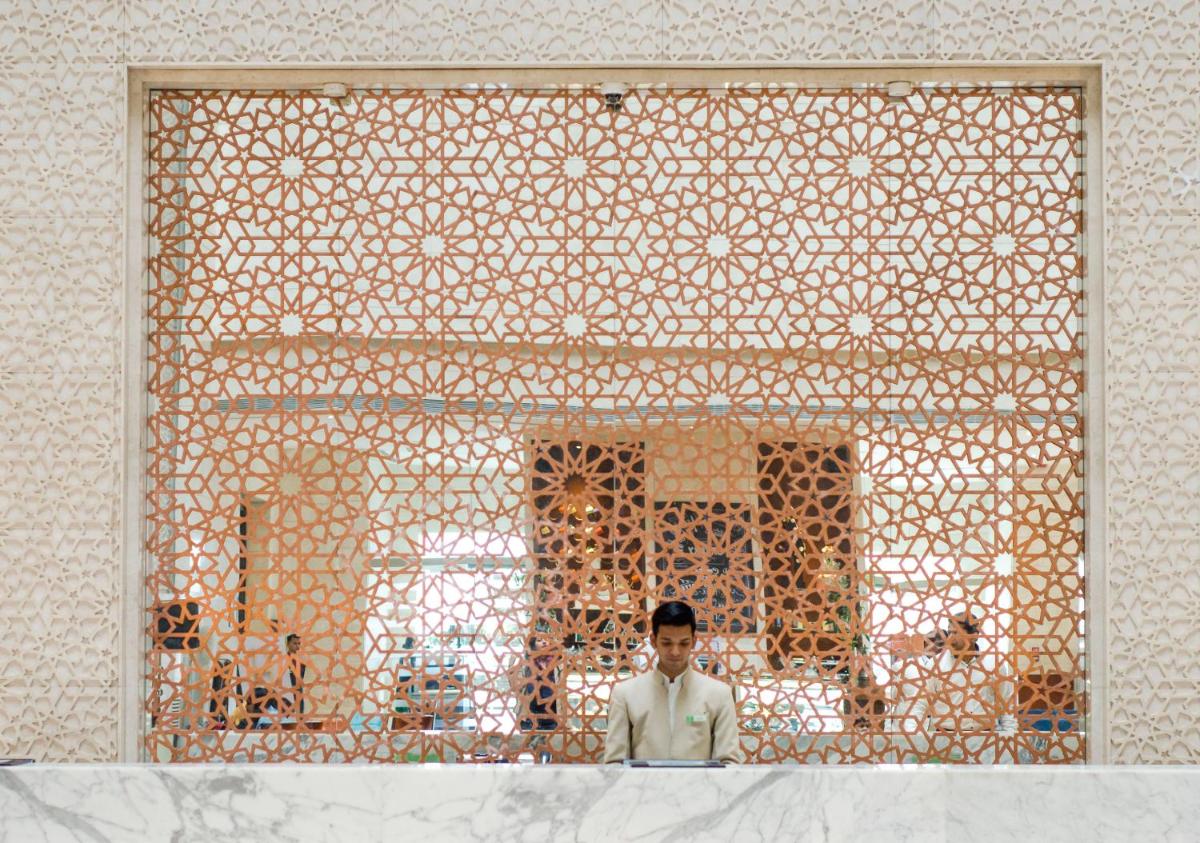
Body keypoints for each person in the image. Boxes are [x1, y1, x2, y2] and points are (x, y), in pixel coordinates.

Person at [603, 601, 742, 764]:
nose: (675, 651)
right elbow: (614, 765)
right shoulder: (625, 694)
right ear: (653, 641)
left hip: (700, 789)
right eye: (667, 643)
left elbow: (729, 764)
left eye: (683, 643)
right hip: (644, 788)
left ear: (693, 641)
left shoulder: (719, 694)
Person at [890, 612, 1016, 762]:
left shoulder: (995, 663)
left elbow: (1007, 705)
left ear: (974, 635)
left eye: (955, 633)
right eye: (949, 632)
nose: (949, 639)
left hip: (985, 741)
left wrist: (1010, 743)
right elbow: (920, 703)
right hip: (946, 742)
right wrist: (912, 739)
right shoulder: (935, 665)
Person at [279, 633, 309, 719]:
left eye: (299, 643)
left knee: (299, 714)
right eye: (295, 643)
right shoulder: (283, 658)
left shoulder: (301, 659)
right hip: (286, 690)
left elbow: (302, 675)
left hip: (298, 690)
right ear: (288, 644)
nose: (297, 646)